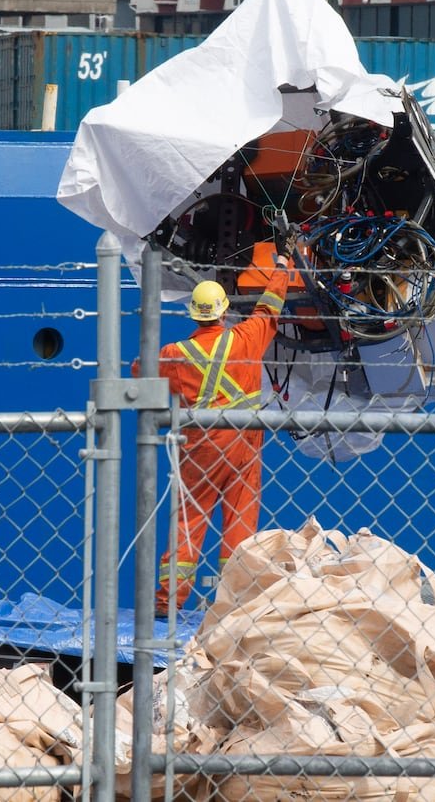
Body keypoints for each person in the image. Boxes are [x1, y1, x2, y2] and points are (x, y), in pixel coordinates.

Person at [141, 255, 291, 615]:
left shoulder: (174, 354)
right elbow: (268, 311)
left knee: (189, 521)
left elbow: (142, 374)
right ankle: (234, 602)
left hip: (201, 448)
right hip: (244, 442)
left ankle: (166, 603)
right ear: (224, 313)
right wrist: (284, 269)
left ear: (194, 314)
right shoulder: (246, 339)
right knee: (240, 520)